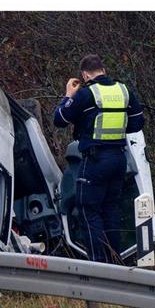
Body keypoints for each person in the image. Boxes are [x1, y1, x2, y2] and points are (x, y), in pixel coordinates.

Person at [53, 54, 144, 263]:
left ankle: (99, 267)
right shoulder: (124, 90)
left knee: (88, 210)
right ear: (103, 69)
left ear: (85, 74)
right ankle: (115, 263)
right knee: (111, 209)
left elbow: (59, 119)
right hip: (119, 161)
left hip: (95, 161)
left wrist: (68, 95)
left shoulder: (85, 94)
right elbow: (137, 124)